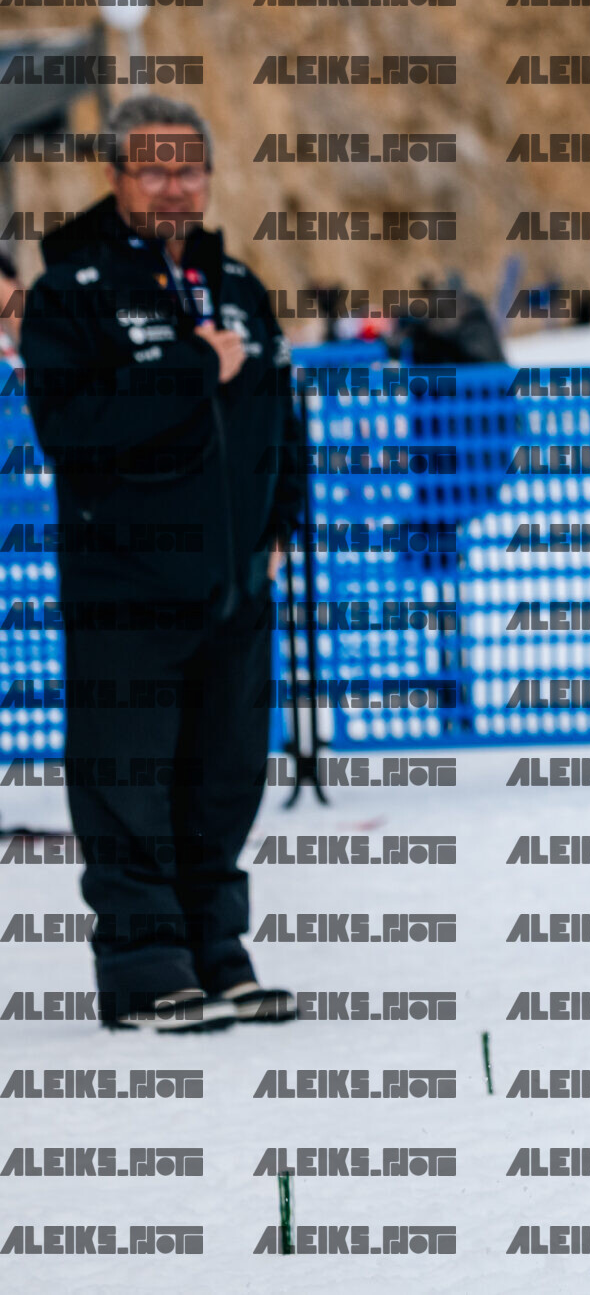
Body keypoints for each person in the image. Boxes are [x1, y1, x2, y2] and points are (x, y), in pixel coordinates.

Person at [22, 94, 305, 1032]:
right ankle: (145, 968)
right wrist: (188, 367)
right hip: (126, 589)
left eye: (190, 167)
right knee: (128, 779)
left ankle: (216, 953)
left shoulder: (239, 286)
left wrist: (281, 524)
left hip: (235, 587)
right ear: (115, 176)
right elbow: (71, 428)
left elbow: (282, 415)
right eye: (154, 168)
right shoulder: (71, 290)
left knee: (223, 778)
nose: (174, 185)